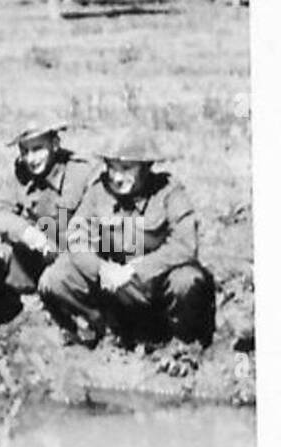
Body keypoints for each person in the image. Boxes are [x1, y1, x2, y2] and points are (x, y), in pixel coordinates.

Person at [38, 133, 215, 346]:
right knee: (55, 278)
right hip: (113, 285)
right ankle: (107, 329)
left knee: (187, 279)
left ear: (146, 166)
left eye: (127, 168)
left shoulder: (169, 192)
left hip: (152, 284)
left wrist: (134, 270)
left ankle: (182, 344)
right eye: (111, 168)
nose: (117, 177)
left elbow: (185, 244)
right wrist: (102, 269)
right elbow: (76, 237)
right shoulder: (99, 191)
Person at [0, 120, 97, 300]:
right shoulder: (20, 173)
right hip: (40, 252)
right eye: (25, 151)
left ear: (55, 144)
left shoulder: (78, 172)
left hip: (74, 253)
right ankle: (25, 297)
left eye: (38, 149)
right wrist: (28, 233)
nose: (31, 159)